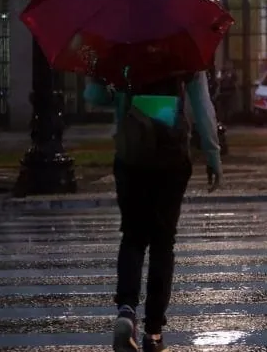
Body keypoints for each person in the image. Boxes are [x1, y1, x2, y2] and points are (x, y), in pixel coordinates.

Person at [84, 71, 223, 352]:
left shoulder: (123, 47)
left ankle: (126, 311)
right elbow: (202, 106)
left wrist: (113, 87)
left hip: (132, 153)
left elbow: (94, 96)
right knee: (162, 242)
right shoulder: (185, 50)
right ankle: (154, 332)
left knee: (133, 236)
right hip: (171, 156)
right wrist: (212, 154)